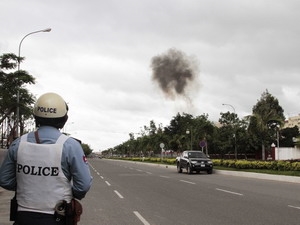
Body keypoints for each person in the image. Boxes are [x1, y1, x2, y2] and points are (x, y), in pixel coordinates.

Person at [0, 92, 93, 225]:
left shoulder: (18, 143)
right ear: (64, 119)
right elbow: (83, 185)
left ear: (35, 117)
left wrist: (29, 186)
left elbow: (4, 180)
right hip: (57, 216)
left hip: (23, 216)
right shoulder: (70, 146)